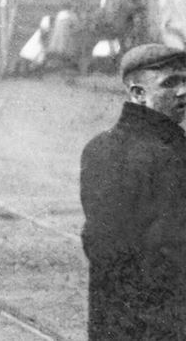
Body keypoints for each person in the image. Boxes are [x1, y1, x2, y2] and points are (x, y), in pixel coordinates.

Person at [80, 44, 186, 338]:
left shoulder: (101, 146)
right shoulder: (164, 155)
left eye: (185, 80)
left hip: (116, 318)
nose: (182, 91)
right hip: (158, 319)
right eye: (170, 83)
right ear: (138, 94)